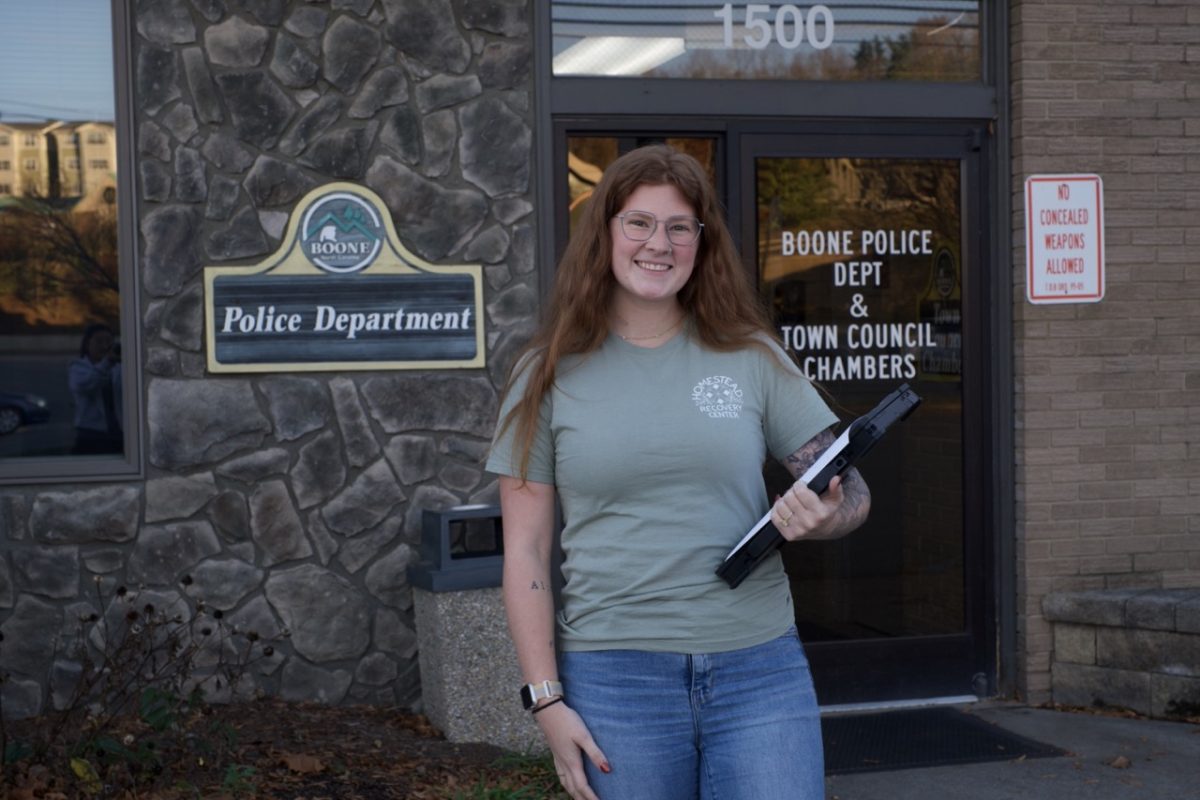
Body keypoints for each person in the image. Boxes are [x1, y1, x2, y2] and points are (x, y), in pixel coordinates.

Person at [486, 144, 871, 800]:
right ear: (605, 233)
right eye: (638, 223)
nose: (656, 243)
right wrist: (547, 702)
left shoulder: (751, 357)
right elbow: (523, 549)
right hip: (616, 677)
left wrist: (831, 513)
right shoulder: (545, 373)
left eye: (678, 227)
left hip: (759, 669)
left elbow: (850, 486)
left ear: (701, 242)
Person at [68, 322, 123, 454]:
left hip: (118, 432)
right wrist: (107, 363)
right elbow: (86, 385)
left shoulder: (118, 368)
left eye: (109, 342)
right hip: (90, 433)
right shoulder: (77, 367)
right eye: (99, 341)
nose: (104, 346)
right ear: (87, 344)